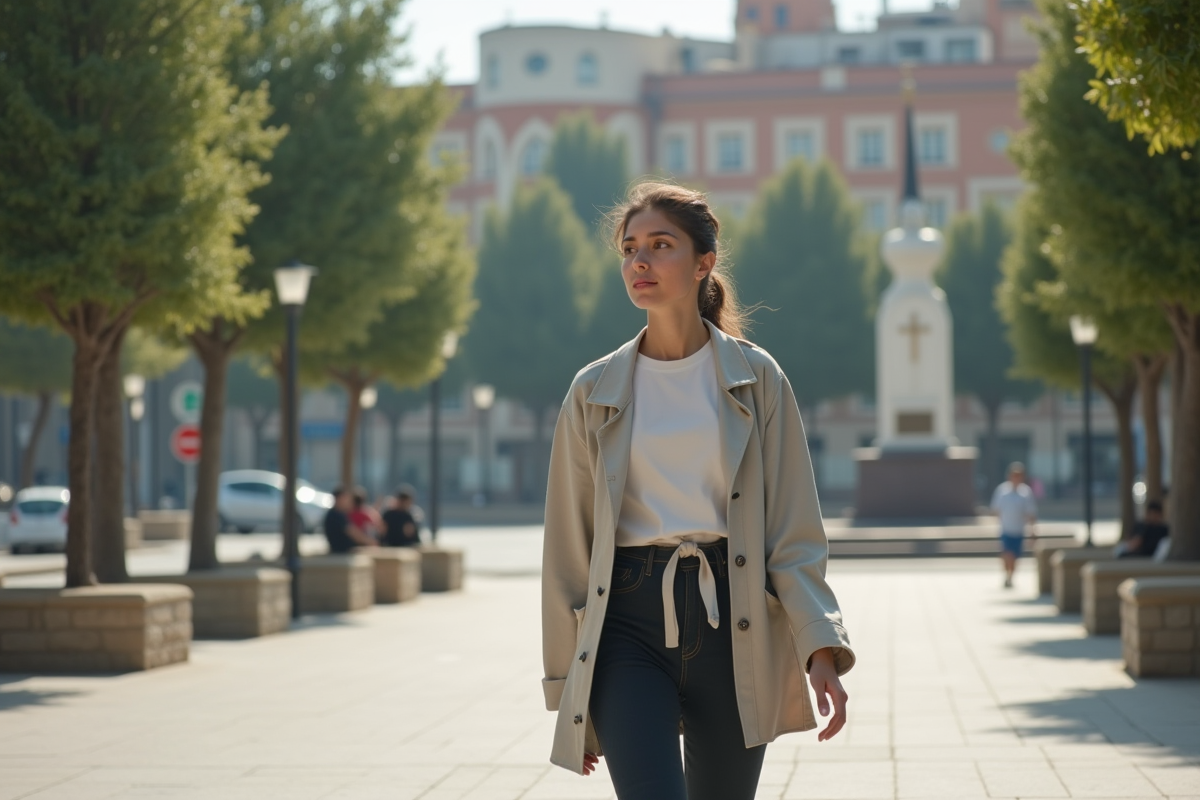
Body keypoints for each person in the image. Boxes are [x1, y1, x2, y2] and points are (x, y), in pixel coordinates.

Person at [542, 182, 855, 800]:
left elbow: (794, 531)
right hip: (625, 625)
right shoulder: (593, 390)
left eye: (661, 246)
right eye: (630, 248)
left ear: (703, 262)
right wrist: (566, 688)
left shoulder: (756, 378)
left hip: (734, 622)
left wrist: (821, 645)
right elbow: (566, 549)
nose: (640, 261)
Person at [990, 462, 1037, 588]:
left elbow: (1031, 513)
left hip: (1019, 529)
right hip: (1006, 529)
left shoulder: (1025, 492)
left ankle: (1011, 576)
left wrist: (1032, 531)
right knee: (1007, 554)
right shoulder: (1002, 491)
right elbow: (996, 509)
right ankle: (1007, 575)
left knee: (1015, 556)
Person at [323, 486, 376, 554]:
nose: (349, 501)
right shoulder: (336, 515)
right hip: (342, 554)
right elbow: (353, 533)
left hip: (342, 553)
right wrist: (370, 542)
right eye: (346, 498)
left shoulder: (336, 513)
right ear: (339, 498)